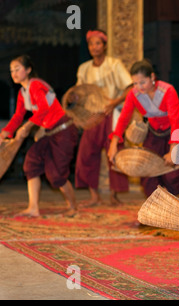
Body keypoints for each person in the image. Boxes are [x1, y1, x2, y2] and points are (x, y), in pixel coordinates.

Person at [0, 55, 79, 217]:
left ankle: (73, 207)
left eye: (17, 69)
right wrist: (5, 132)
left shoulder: (35, 85)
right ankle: (33, 208)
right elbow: (18, 116)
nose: (14, 73)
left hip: (63, 131)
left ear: (28, 70)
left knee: (56, 174)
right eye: (11, 71)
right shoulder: (23, 92)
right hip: (48, 132)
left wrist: (28, 126)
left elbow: (43, 109)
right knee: (31, 163)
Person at [107, 59, 179, 197]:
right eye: (135, 83)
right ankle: (154, 212)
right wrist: (114, 143)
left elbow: (175, 120)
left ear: (152, 77)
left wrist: (173, 150)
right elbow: (123, 118)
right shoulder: (133, 94)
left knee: (172, 175)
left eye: (142, 82)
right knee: (148, 175)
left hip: (176, 132)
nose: (139, 87)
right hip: (154, 133)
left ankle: (171, 212)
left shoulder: (168, 90)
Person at [74, 29, 132, 207]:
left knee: (114, 155)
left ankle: (114, 195)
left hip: (111, 114)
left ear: (104, 45)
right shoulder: (84, 68)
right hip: (92, 115)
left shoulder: (114, 64)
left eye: (98, 43)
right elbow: (79, 92)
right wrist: (74, 99)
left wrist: (114, 102)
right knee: (86, 154)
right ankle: (94, 196)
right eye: (91, 44)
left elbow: (130, 88)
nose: (94, 47)